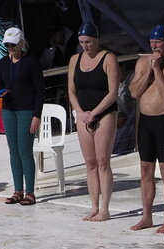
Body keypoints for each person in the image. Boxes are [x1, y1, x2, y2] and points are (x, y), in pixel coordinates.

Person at [128, 25, 164, 233]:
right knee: (145, 169)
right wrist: (148, 72)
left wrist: (156, 70)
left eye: (159, 43)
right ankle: (147, 217)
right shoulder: (142, 62)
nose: (155, 47)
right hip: (145, 122)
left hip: (163, 122)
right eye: (152, 43)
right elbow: (134, 92)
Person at [67, 23, 120, 221]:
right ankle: (94, 206)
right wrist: (81, 113)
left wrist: (94, 113)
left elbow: (113, 92)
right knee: (90, 163)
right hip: (83, 115)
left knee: (103, 162)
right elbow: (71, 91)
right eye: (81, 42)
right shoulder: (74, 59)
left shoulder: (109, 58)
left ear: (96, 39)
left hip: (104, 114)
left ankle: (105, 208)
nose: (85, 46)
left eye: (88, 42)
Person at [0, 27, 44, 207]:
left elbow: (40, 91)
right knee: (13, 150)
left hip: (26, 110)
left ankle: (30, 191)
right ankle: (18, 190)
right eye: (8, 44)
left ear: (22, 43)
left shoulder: (31, 62)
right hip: (8, 108)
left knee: (25, 150)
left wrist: (36, 115)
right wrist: (0, 93)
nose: (10, 47)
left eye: (13, 44)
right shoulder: (3, 62)